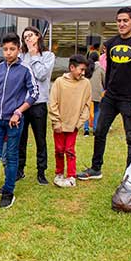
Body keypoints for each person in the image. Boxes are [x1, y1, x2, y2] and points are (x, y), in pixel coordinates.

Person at [77, 7, 131, 180]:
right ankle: (96, 168)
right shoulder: (111, 44)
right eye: (119, 20)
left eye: (125, 20)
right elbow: (110, 70)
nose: (121, 24)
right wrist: (106, 90)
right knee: (99, 131)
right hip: (111, 97)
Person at [0, 32, 39, 210]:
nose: (8, 52)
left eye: (12, 49)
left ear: (19, 50)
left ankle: (8, 192)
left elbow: (34, 93)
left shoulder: (25, 69)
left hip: (14, 121)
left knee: (12, 157)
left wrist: (19, 112)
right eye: (5, 49)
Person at [18, 26, 56, 186]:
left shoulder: (48, 56)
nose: (28, 39)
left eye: (31, 36)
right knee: (21, 138)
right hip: (22, 103)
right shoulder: (21, 57)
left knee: (40, 138)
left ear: (38, 36)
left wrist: (34, 56)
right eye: (25, 37)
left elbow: (41, 75)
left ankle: (41, 172)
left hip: (39, 103)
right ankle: (19, 169)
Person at [48, 54, 92, 188]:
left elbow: (86, 105)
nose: (83, 73)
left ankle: (71, 176)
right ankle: (59, 173)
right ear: (72, 67)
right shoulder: (59, 82)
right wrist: (56, 122)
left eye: (85, 70)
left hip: (74, 126)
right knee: (59, 150)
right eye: (81, 69)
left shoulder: (86, 84)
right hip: (59, 125)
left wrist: (79, 123)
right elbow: (53, 102)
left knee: (70, 150)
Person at [84, 52, 104, 135]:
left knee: (86, 110)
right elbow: (105, 80)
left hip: (86, 91)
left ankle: (86, 129)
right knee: (97, 110)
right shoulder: (100, 68)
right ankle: (95, 129)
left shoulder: (85, 67)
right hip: (97, 92)